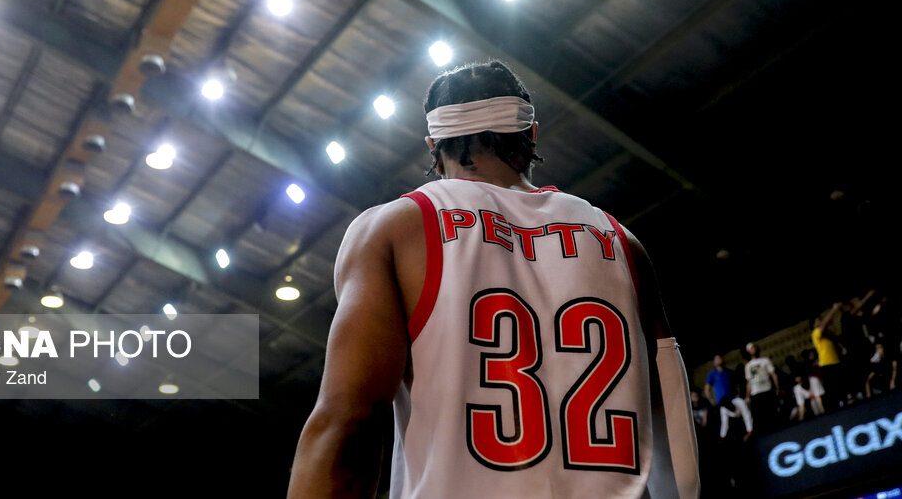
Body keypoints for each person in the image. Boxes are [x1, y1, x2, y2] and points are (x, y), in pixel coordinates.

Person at [288, 61, 700, 498]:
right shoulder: (622, 242)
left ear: (434, 145)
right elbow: (679, 448)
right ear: (531, 135)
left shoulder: (395, 229)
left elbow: (350, 425)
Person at [811, 302, 843, 410]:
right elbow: (824, 324)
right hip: (827, 365)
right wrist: (833, 309)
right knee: (831, 390)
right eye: (818, 320)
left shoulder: (827, 334)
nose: (820, 322)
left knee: (840, 387)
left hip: (836, 362)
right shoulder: (815, 333)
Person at [744, 342, 779, 434]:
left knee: (771, 414)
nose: (753, 349)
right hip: (756, 393)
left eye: (754, 347)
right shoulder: (748, 366)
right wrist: (748, 395)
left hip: (767, 390)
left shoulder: (765, 360)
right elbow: (749, 381)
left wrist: (777, 388)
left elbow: (773, 374)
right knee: (760, 417)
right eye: (751, 348)